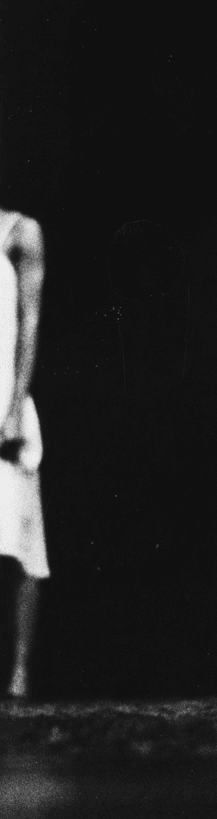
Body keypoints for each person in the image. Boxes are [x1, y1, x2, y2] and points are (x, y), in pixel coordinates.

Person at [0, 209, 47, 700]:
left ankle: (19, 673)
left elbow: (30, 319)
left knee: (18, 541)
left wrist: (14, 406)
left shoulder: (19, 231)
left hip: (3, 397)